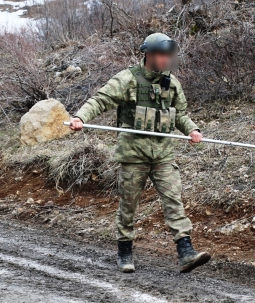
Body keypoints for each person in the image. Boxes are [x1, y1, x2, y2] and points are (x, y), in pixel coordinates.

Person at [68, 33, 210, 274]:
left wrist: (192, 129)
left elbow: (180, 114)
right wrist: (81, 117)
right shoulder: (128, 79)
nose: (165, 60)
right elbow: (101, 99)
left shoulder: (172, 83)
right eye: (161, 55)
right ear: (148, 54)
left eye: (168, 55)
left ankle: (186, 252)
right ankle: (125, 252)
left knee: (173, 200)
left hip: (163, 154)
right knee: (129, 205)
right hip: (134, 154)